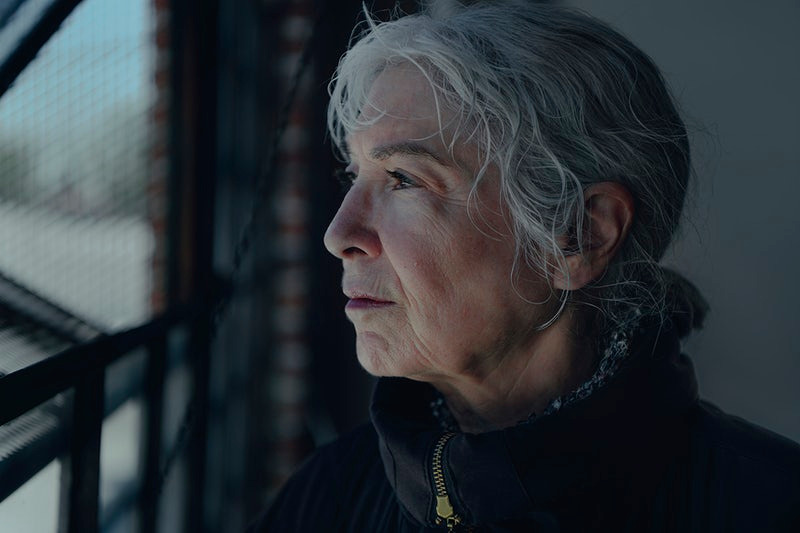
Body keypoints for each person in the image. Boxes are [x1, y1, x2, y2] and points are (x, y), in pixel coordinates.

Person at [249, 1, 800, 531]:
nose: (338, 235)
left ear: (580, 235)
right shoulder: (328, 498)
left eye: (404, 179)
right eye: (355, 176)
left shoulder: (771, 507)